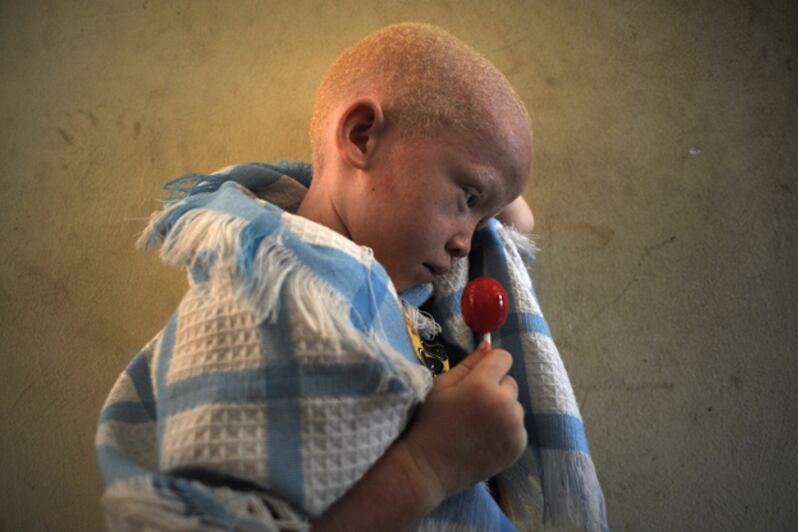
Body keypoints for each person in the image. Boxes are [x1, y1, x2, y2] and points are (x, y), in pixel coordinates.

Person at [96, 22, 606, 532]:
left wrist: (486, 178)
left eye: (483, 215)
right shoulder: (261, 293)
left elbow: (519, 220)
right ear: (362, 137)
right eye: (468, 198)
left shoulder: (404, 286)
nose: (467, 244)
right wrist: (428, 467)